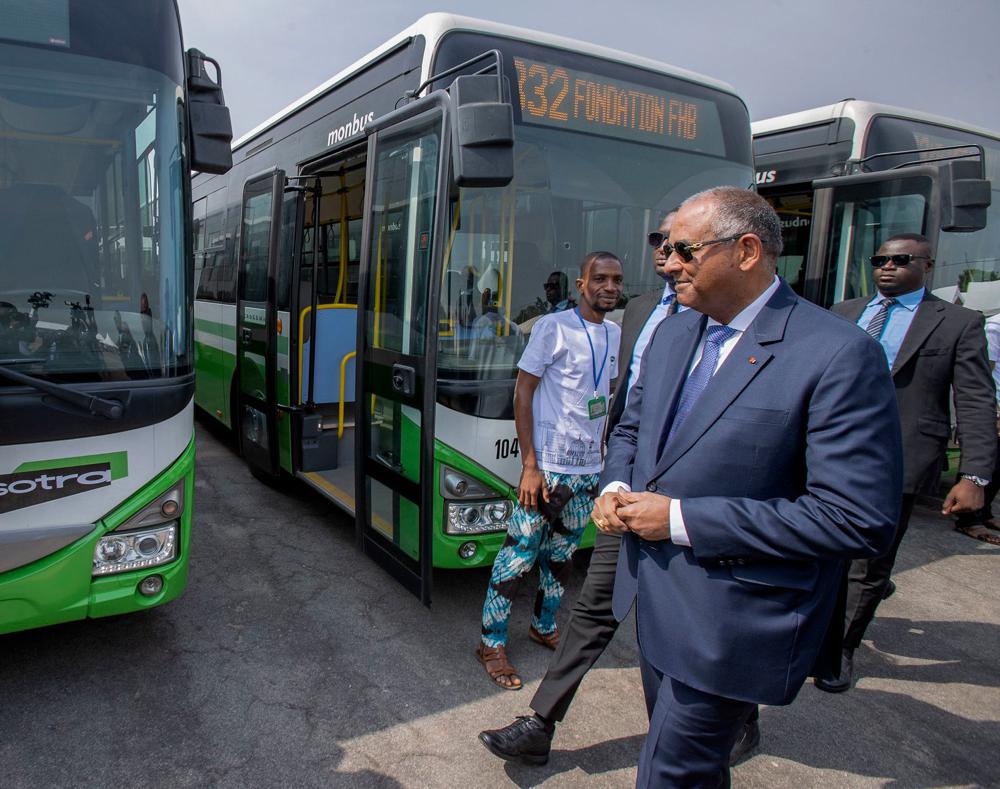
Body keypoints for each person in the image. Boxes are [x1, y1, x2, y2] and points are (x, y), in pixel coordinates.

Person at [594, 187, 902, 787]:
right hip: (656, 601)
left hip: (734, 618)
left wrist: (681, 520)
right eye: (662, 246)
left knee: (670, 773)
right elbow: (632, 427)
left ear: (747, 250)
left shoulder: (838, 354)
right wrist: (613, 485)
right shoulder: (672, 335)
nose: (667, 261)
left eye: (683, 249)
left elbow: (855, 517)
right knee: (692, 768)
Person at [813, 233, 998, 694]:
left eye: (901, 260)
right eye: (879, 259)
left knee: (869, 563)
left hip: (900, 460)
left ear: (927, 265)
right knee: (817, 551)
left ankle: (840, 651)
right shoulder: (844, 313)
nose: (887, 267)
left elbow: (974, 401)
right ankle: (809, 633)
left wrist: (974, 475)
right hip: (828, 452)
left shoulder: (957, 322)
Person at [476, 251, 624, 691]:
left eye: (616, 279)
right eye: (599, 278)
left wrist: (602, 456)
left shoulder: (614, 334)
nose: (609, 287)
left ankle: (543, 625)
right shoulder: (552, 327)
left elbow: (603, 394)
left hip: (586, 473)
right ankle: (491, 643)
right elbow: (523, 392)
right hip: (549, 471)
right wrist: (530, 465)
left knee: (561, 558)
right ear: (581, 284)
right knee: (517, 557)